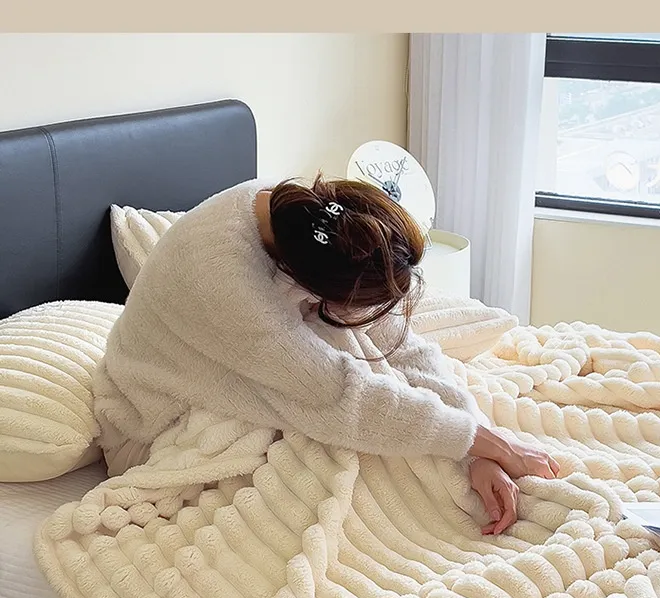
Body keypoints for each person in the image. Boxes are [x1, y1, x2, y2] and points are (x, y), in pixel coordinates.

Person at [94, 174, 559, 535]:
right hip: (153, 421)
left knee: (369, 361)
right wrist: (474, 442)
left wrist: (480, 444)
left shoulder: (297, 214)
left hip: (242, 352)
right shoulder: (230, 288)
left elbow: (400, 343)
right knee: (344, 443)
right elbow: (337, 396)